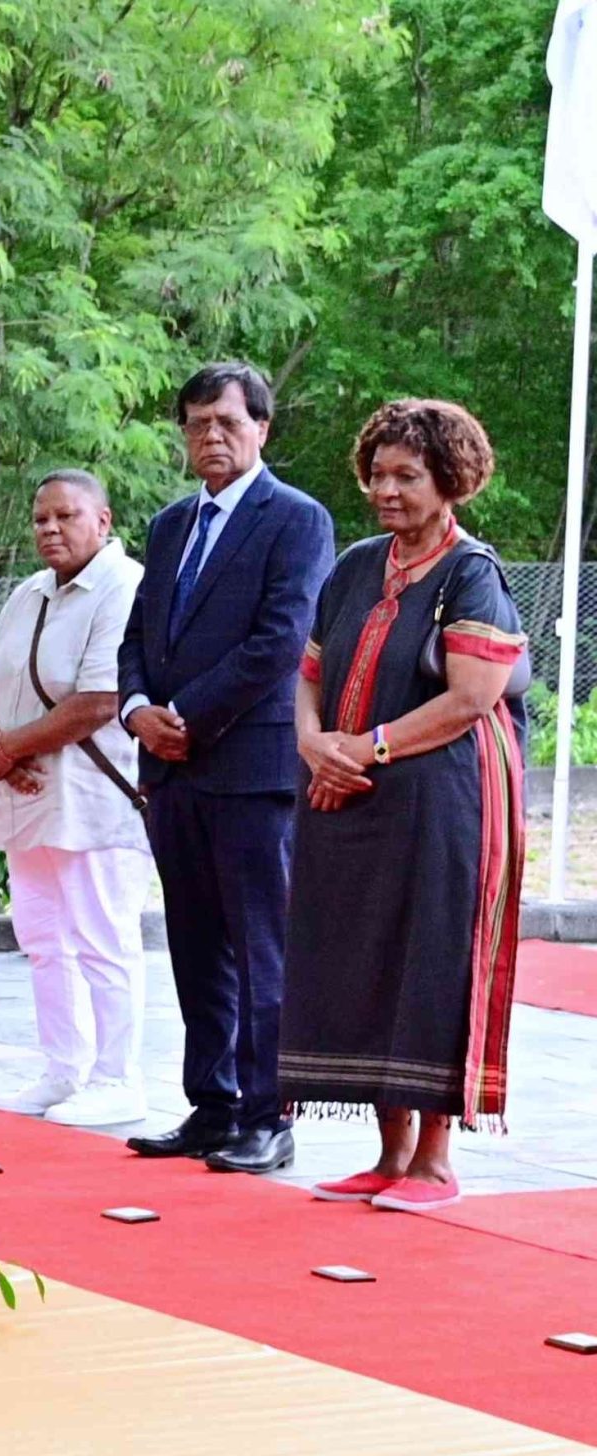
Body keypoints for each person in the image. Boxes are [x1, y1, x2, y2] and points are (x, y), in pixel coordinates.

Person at [279, 401, 525, 1212]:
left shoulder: (471, 572)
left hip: (442, 799)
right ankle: (388, 1155)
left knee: (430, 957)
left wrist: (364, 748)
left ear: (449, 480)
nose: (386, 490)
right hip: (346, 793)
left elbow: (472, 697)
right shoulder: (357, 565)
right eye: (378, 474)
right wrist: (314, 742)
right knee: (360, 955)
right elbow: (310, 671)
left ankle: (434, 1162)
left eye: (407, 476)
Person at [119, 362, 334, 1175]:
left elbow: (281, 639)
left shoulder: (297, 519)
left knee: (261, 947)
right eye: (198, 423)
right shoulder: (170, 524)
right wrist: (138, 709)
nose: (212, 436)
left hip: (250, 765)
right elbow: (138, 635)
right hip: (171, 770)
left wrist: (187, 714)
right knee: (195, 945)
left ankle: (267, 1115)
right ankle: (211, 1105)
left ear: (262, 429)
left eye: (229, 422)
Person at [0, 471, 150, 1127]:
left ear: (102, 520)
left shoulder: (124, 585)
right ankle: (64, 1068)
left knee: (103, 935)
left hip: (94, 792)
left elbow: (100, 699)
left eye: (65, 516)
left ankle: (117, 1078)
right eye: (40, 518)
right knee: (44, 937)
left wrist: (8, 749)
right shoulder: (28, 592)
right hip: (26, 791)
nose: (49, 528)